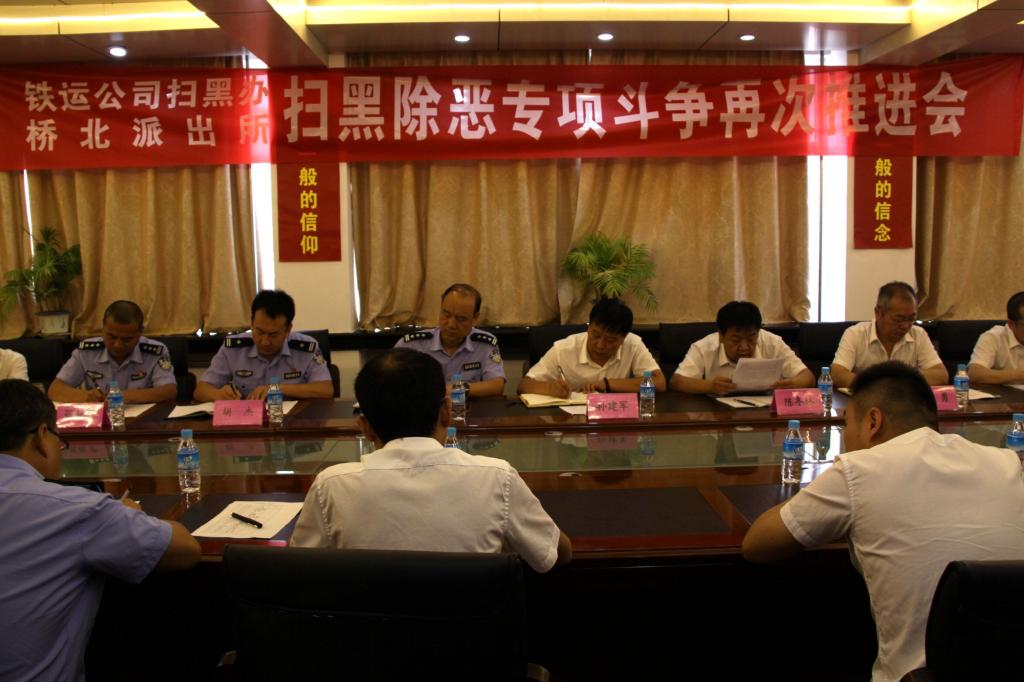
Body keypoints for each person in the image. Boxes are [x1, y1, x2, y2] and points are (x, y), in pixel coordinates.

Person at [742, 361, 1024, 681]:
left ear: (873, 421)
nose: (846, 436)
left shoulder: (859, 470)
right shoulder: (1006, 463)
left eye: (846, 424)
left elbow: (756, 545)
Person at [290, 348, 571, 573]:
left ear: (364, 427)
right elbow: (558, 554)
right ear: (447, 412)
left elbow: (298, 572)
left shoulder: (331, 486)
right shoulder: (497, 478)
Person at [0, 379, 200, 681]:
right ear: (42, 436)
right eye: (58, 438)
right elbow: (186, 550)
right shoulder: (75, 510)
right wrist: (124, 514)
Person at [195, 289, 333, 401]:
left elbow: (326, 390)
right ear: (252, 323)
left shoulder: (306, 348)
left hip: (293, 421)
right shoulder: (233, 349)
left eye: (273, 335)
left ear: (288, 330)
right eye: (259, 332)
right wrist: (219, 395)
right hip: (247, 421)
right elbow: (201, 391)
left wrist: (276, 389)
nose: (265, 341)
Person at [518, 298, 666, 397]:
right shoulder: (564, 349)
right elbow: (524, 385)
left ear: (623, 338)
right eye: (595, 335)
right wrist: (550, 389)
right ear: (589, 327)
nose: (600, 345)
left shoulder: (633, 344)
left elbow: (659, 383)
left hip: (615, 419)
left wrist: (607, 384)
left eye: (610, 340)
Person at [670, 301, 814, 394]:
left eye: (751, 338)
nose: (744, 347)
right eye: (736, 340)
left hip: (765, 416)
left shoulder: (772, 343)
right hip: (719, 417)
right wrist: (709, 386)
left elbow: (808, 377)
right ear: (721, 336)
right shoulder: (704, 347)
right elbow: (677, 381)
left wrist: (791, 384)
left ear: (758, 332)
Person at [48, 300, 177, 404]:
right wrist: (86, 396)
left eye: (127, 339)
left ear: (139, 333)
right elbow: (55, 389)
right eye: (112, 336)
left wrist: (126, 396)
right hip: (99, 421)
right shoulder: (86, 352)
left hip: (142, 422)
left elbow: (169, 391)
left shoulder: (155, 352)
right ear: (103, 328)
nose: (118, 345)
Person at [393, 283, 506, 397]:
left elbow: (497, 385)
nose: (451, 324)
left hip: (466, 407)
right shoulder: (411, 345)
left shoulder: (485, 344)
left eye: (461, 319)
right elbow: (389, 383)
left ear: (475, 318)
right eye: (446, 315)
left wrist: (454, 389)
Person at [830, 282, 947, 388]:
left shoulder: (918, 335)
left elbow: (941, 375)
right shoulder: (855, 334)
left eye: (911, 319)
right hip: (866, 401)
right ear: (878, 313)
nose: (905, 326)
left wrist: (900, 378)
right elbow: (837, 374)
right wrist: (879, 383)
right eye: (898, 319)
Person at [967, 290, 1024, 385]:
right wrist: (1018, 376)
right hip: (1006, 394)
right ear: (1011, 324)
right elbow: (974, 373)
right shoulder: (994, 337)